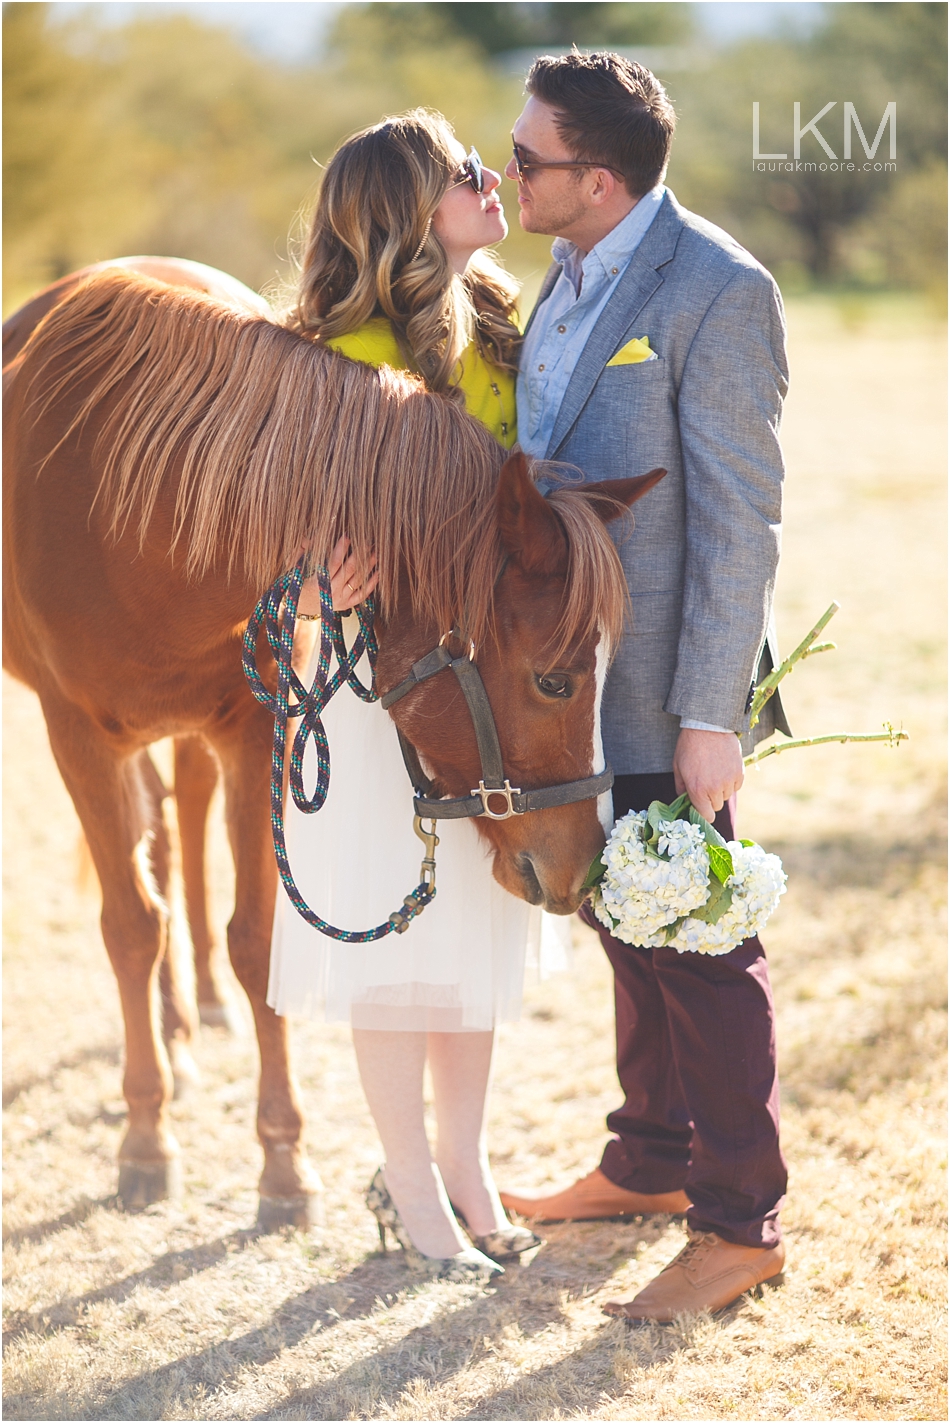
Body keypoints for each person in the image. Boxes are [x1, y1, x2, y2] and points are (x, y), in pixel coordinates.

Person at [496, 53, 791, 1321]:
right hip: (568, 686)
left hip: (670, 687)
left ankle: (738, 1221)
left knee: (701, 948)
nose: (508, 174)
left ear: (596, 179)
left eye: (525, 161)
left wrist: (710, 716)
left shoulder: (717, 291)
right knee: (626, 927)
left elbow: (740, 520)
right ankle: (647, 1162)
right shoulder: (557, 278)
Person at [267, 110, 554, 1283]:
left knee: (476, 923)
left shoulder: (503, 324)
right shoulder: (332, 356)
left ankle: (466, 1167)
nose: (491, 177)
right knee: (399, 936)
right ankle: (410, 1190)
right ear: (403, 215)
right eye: (460, 173)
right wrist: (309, 585)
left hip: (481, 673)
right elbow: (275, 528)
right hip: (373, 678)